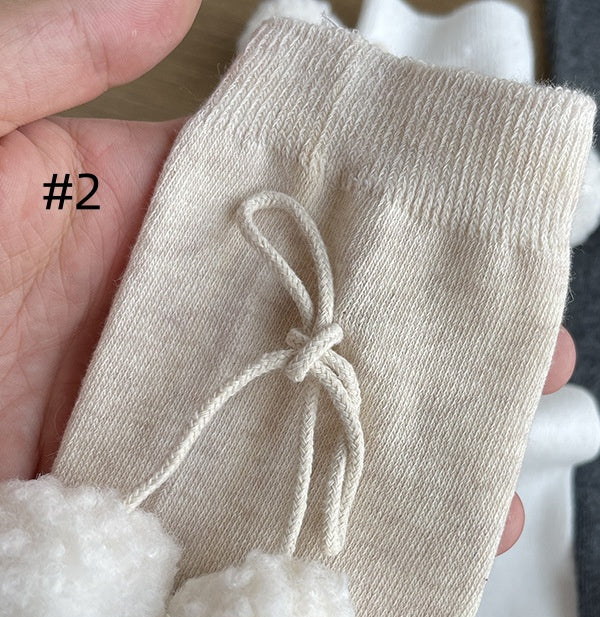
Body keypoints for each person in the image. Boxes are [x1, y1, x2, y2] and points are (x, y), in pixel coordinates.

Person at [0, 0, 576, 558]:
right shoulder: (74, 191)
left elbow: (66, 192)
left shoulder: (72, 189)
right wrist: (62, 194)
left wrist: (61, 193)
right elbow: (67, 193)